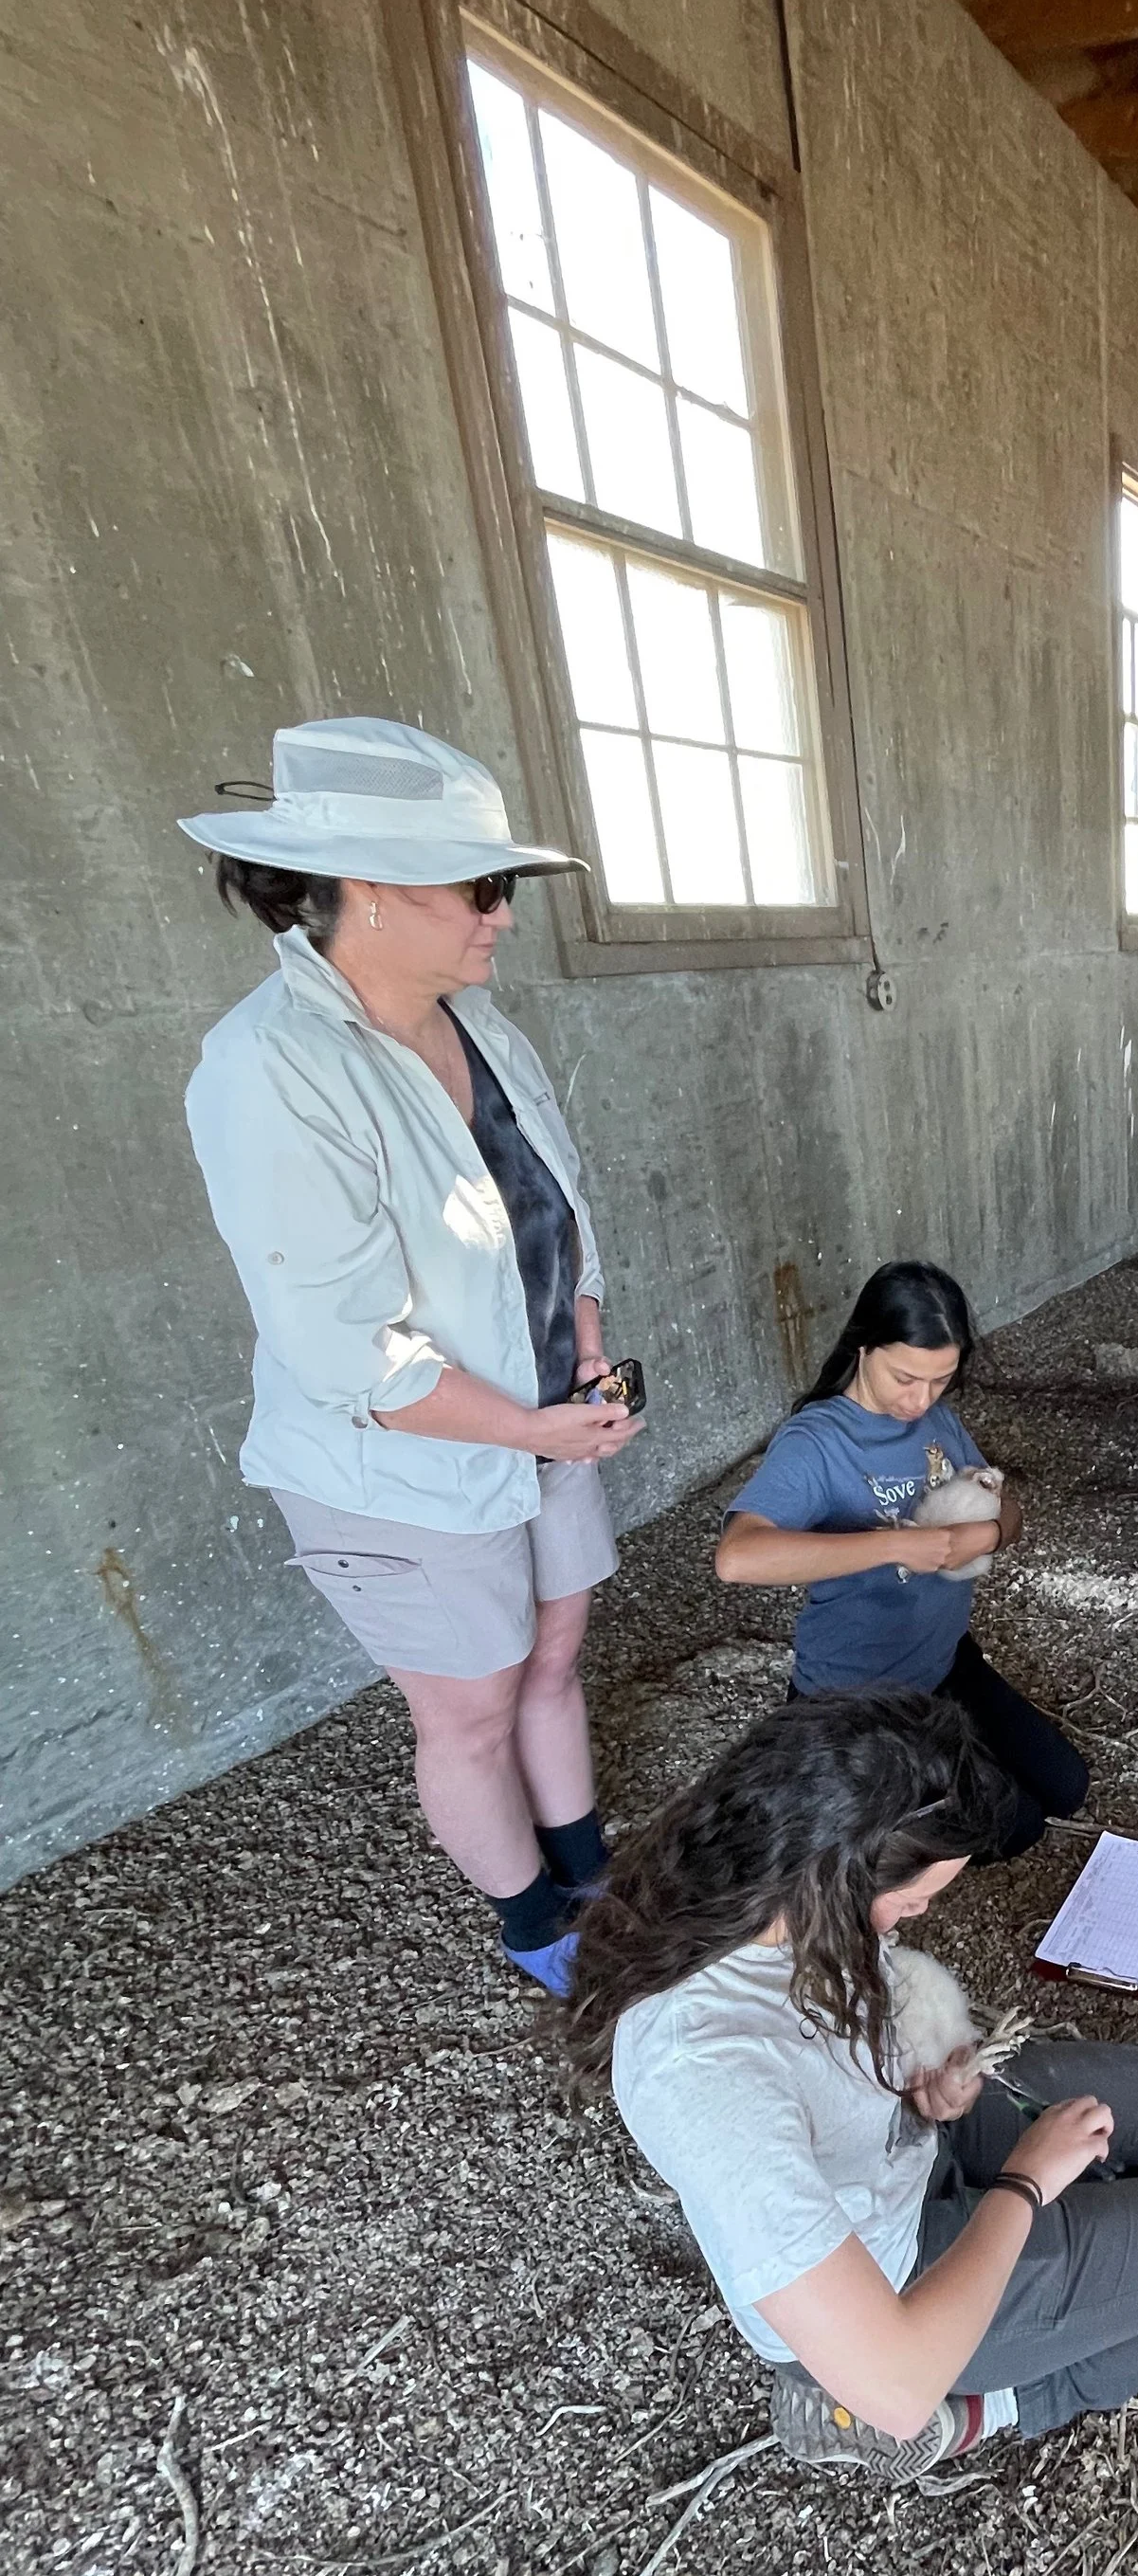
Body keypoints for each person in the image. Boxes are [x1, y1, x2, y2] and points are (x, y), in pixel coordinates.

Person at [181, 718, 641, 1994]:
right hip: (400, 1461)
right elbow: (351, 1352)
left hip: (542, 1418)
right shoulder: (272, 1067)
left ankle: (591, 1870)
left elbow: (562, 1214)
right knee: (470, 1706)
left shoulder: (480, 1025)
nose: (504, 914)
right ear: (370, 889)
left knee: (554, 1657)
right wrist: (533, 1427)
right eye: (479, 886)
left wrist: (584, 1354)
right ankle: (538, 1926)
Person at [564, 1692, 1138, 2481]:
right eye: (911, 1899)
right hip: (890, 2286)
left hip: (909, 2153)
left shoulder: (779, 1888)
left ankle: (1052, 2238)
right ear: (839, 1872)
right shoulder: (701, 2069)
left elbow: (838, 2054)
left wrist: (917, 2087)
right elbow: (897, 2384)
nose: (913, 1918)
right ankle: (981, 2408)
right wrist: (1025, 2183)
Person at [714, 1262, 1086, 1859]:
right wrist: (895, 1543)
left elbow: (1009, 1513)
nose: (921, 1400)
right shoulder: (816, 1442)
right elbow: (737, 1557)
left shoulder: (937, 1421)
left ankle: (918, 1779)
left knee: (1066, 1787)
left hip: (945, 1664)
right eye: (905, 1378)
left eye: (941, 1380)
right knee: (1017, 1828)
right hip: (854, 1696)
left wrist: (990, 1533)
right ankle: (838, 1788)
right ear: (864, 1348)